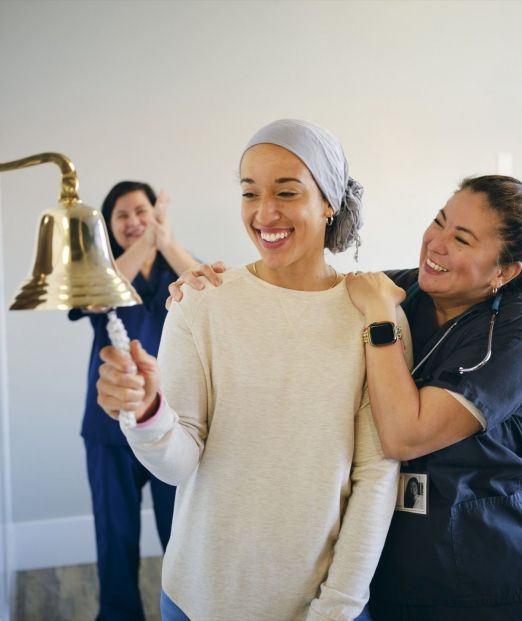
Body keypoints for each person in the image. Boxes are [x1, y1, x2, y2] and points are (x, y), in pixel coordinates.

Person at [168, 174, 522, 620]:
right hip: (395, 579)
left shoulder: (517, 331)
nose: (436, 243)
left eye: (461, 239)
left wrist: (382, 318)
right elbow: (300, 296)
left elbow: (404, 435)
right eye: (439, 222)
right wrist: (208, 286)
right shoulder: (400, 291)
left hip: (487, 578)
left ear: (504, 271)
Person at [95, 120, 402, 621]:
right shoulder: (202, 300)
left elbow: (375, 474)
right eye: (249, 193)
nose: (265, 213)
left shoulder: (373, 313)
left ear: (329, 202)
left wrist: (338, 608)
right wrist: (146, 411)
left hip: (319, 607)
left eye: (287, 192)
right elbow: (177, 463)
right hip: (195, 598)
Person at [69, 181, 197, 621]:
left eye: (141, 211)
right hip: (108, 425)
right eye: (121, 215)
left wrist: (166, 241)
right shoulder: (100, 270)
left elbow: (214, 293)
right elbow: (95, 296)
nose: (133, 222)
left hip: (168, 424)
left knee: (178, 535)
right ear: (108, 226)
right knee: (115, 535)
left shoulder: (174, 266)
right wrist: (147, 239)